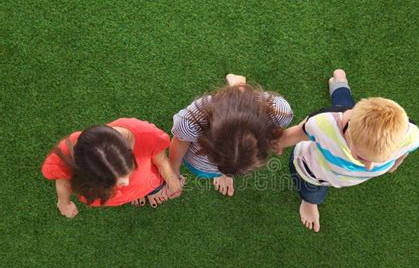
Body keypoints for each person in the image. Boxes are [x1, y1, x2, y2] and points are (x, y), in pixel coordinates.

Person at [278, 69, 419, 232]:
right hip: (313, 171)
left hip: (350, 126)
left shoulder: (409, 134)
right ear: (350, 137)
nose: (369, 167)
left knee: (346, 105)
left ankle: (339, 82)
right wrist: (278, 144)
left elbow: (407, 149)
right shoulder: (323, 124)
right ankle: (309, 202)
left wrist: (396, 161)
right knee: (311, 191)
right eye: (362, 158)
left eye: (382, 159)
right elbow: (297, 133)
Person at [169, 74, 293, 196]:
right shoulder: (191, 121)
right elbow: (180, 141)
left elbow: (277, 130)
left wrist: (276, 140)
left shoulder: (279, 111)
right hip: (196, 160)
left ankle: (239, 87)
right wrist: (173, 171)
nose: (220, 169)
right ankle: (239, 86)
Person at [42, 118, 183, 218]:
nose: (126, 183)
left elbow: (161, 162)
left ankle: (147, 191)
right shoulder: (69, 153)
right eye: (111, 182)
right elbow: (63, 179)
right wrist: (63, 202)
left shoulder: (146, 135)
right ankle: (136, 194)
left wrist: (173, 182)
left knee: (146, 185)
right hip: (109, 196)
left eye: (128, 172)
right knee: (131, 190)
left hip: (147, 182)